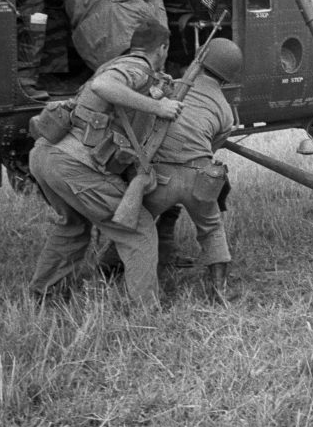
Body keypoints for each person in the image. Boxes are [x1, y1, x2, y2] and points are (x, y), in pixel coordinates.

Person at [28, 19, 183, 308]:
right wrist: (159, 107)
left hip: (46, 154)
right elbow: (103, 86)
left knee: (72, 226)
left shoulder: (119, 64)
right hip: (72, 163)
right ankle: (146, 311)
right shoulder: (136, 68)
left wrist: (157, 92)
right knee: (139, 230)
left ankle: (44, 297)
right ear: (162, 48)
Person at [100, 38, 241, 301]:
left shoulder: (172, 88)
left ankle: (108, 271)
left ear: (200, 60)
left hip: (160, 179)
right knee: (212, 228)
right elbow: (213, 146)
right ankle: (218, 290)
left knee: (134, 223)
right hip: (200, 179)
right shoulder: (225, 109)